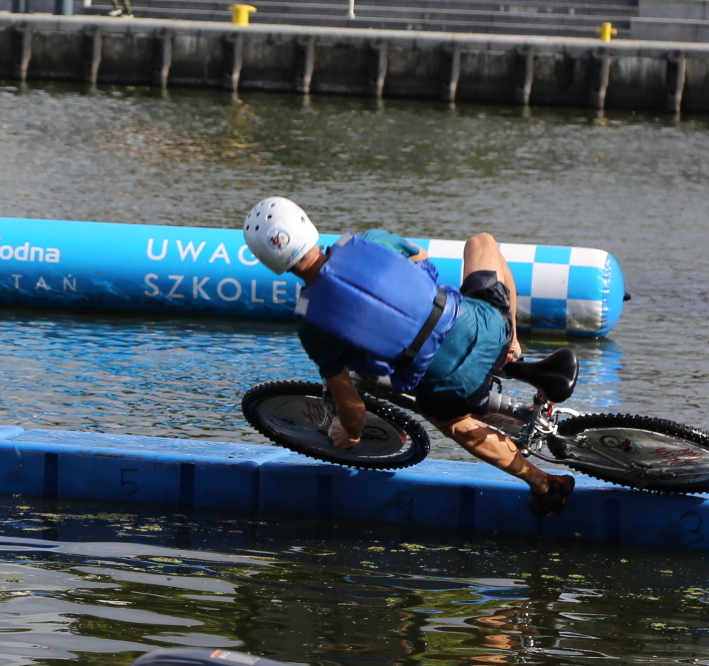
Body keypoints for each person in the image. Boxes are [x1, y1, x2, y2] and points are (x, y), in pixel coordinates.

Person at [243, 197, 577, 517]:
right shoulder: (369, 240)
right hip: (487, 325)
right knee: (482, 242)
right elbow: (421, 256)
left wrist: (351, 435)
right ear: (306, 223)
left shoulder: (310, 323)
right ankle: (513, 348)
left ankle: (544, 484)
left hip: (450, 382)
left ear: (267, 261)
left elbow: (353, 409)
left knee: (455, 423)